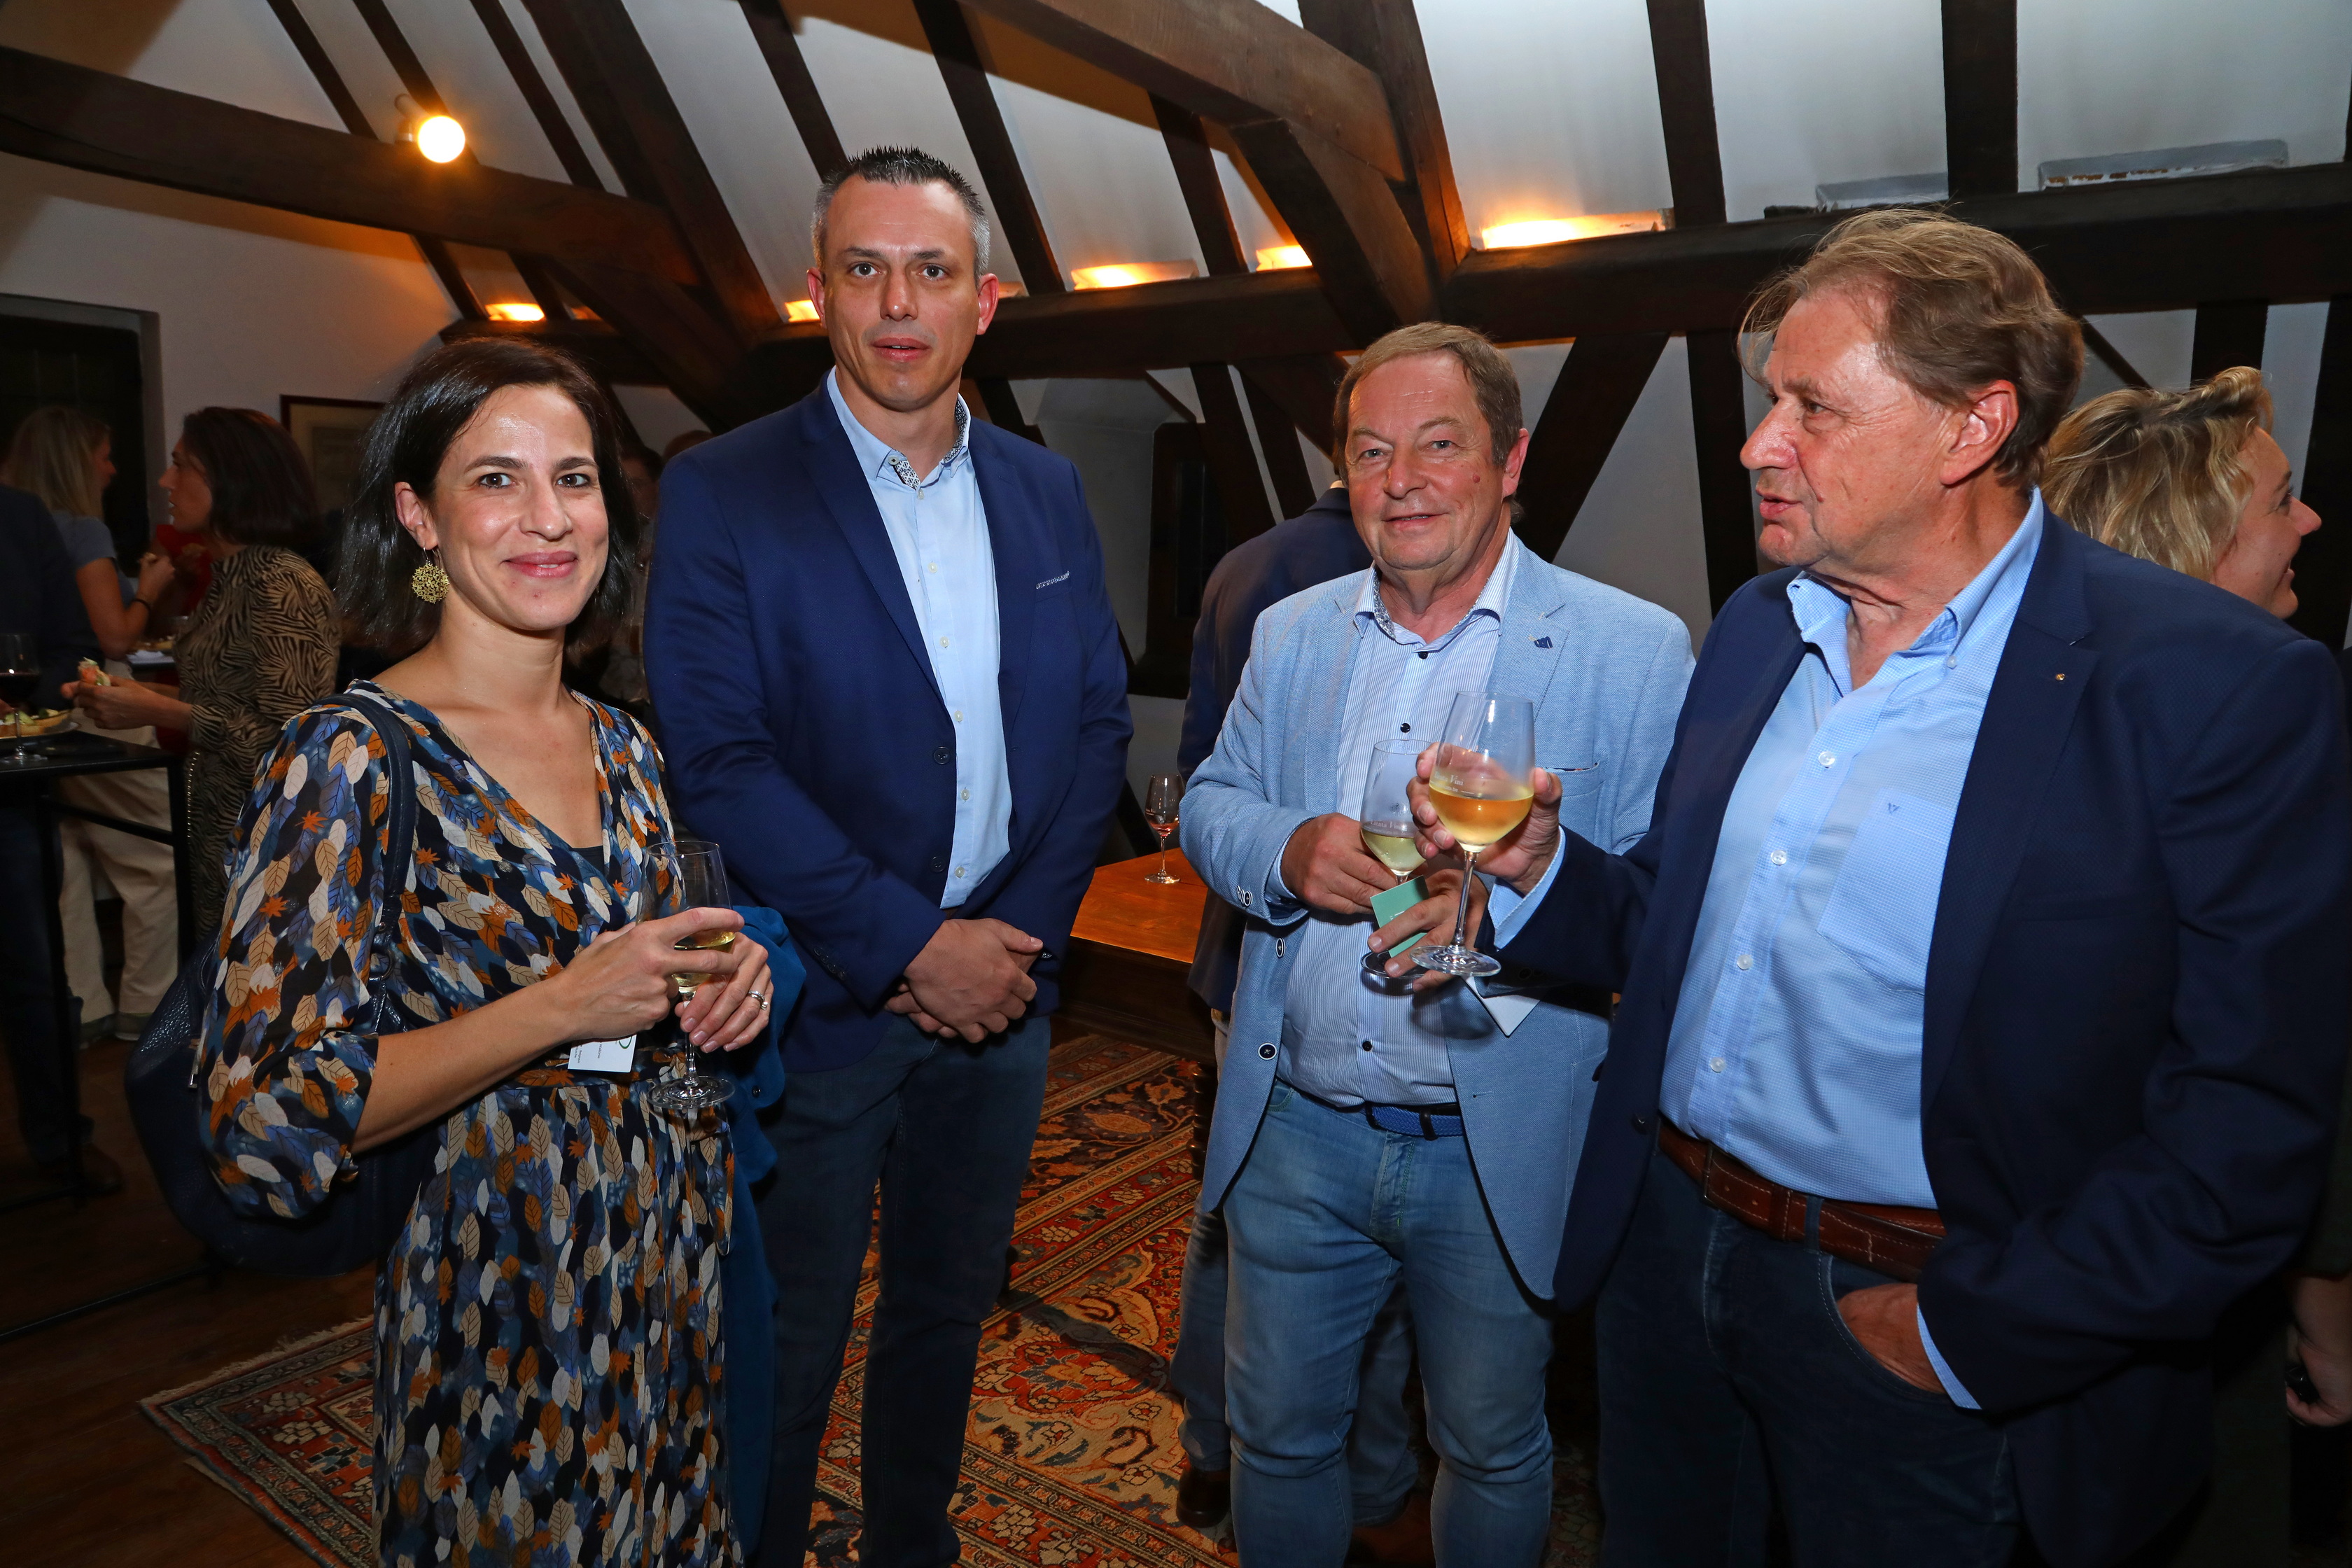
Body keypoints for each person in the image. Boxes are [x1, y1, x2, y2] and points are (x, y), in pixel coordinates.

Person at [1401, 211, 2351, 1567]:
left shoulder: (2209, 685)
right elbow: (1672, 936)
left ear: (1973, 427)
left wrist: (1962, 1335)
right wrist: (1544, 869)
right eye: (1768, 402)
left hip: (1915, 1307)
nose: (1757, 445)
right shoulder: (1758, 628)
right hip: (1670, 1256)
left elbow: (2247, 1126)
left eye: (1813, 409)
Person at [195, 337, 778, 1567]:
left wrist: (727, 979)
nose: (547, 518)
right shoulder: (349, 758)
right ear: (418, 515)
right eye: (496, 479)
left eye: (575, 478)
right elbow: (262, 1118)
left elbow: (640, 972)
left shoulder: (625, 744)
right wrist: (562, 1005)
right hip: (499, 1297)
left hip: (666, 1266)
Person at [645, 146, 1130, 1566]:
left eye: (931, 272)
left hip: (1005, 994)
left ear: (987, 300)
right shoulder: (727, 487)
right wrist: (915, 946)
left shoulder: (1046, 488)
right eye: (865, 270)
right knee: (788, 1336)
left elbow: (1096, 721)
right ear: (820, 293)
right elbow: (719, 759)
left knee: (945, 1307)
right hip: (821, 997)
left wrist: (1012, 947)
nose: (899, 304)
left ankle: (913, 1540)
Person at [1181, 321, 1693, 1564]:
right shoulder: (1293, 630)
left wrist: (1511, 905)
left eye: (1439, 446)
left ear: (1510, 462)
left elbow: (1661, 905)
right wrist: (1289, 850)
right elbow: (1210, 798)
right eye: (1371, 451)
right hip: (1298, 1125)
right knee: (1277, 1440)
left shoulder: (1634, 650)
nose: (1400, 480)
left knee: (1492, 1444)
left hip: (1494, 1142)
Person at [2043, 365, 2344, 1564]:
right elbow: (2289, 1067)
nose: (2309, 518)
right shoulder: (2274, 719)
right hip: (2195, 1286)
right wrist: (2329, 1311)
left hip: (2030, 1271)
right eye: (2280, 499)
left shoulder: (2032, 716)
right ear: (2196, 538)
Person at [1167, 480, 1429, 1546]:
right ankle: (1374, 1480)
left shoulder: (1241, 563)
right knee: (1353, 1245)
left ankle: (1208, 1453)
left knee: (1229, 1215)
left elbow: (1197, 767)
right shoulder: (1397, 575)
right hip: (1325, 957)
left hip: (1242, 952)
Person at [66, 408, 337, 925]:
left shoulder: (281, 583)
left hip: (265, 838)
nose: (166, 481)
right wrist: (132, 697)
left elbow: (290, 743)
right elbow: (226, 701)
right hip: (219, 823)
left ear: (230, 478)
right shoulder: (232, 576)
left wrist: (161, 712)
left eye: (181, 465)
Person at [4, 405, 180, 1042]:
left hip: (42, 714)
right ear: (76, 462)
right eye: (104, 457)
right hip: (98, 703)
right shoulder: (80, 530)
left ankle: (81, 1007)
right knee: (157, 856)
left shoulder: (23, 525)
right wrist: (150, 587)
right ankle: (149, 1009)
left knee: (69, 857)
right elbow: (113, 637)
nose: (112, 470)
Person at [0, 479, 104, 1185]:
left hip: (12, 791)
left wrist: (27, 699)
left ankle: (61, 1140)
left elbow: (71, 647)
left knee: (37, 973)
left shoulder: (20, 516)